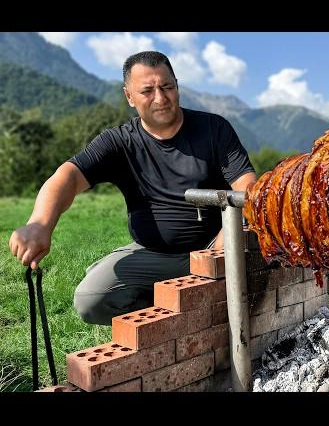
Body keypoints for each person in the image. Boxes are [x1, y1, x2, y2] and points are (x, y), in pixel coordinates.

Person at [8, 51, 257, 325]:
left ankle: (200, 317)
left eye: (167, 87)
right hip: (152, 254)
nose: (160, 98)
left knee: (242, 285)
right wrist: (40, 224)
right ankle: (166, 318)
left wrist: (222, 246)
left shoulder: (214, 128)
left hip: (214, 248)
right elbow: (67, 177)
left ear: (177, 86)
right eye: (147, 91)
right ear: (129, 96)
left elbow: (246, 186)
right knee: (91, 300)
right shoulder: (118, 143)